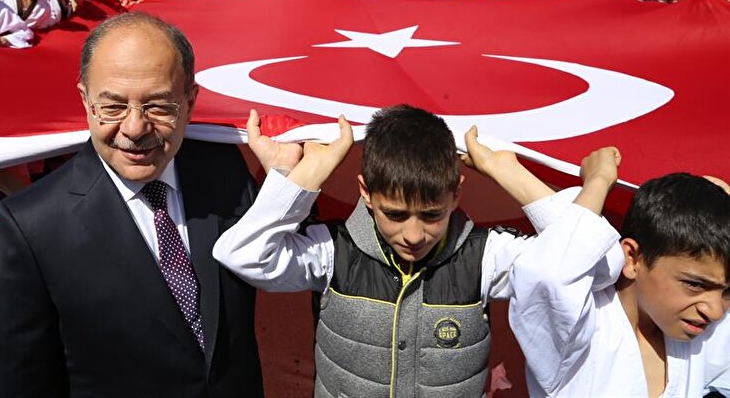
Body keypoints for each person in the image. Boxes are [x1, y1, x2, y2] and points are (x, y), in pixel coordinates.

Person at [0, 12, 266, 397]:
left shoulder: (226, 171)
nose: (135, 128)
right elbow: (19, 383)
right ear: (85, 100)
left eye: (158, 106)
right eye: (113, 107)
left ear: (190, 99)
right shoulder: (31, 226)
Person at [214, 106, 571, 398]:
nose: (413, 235)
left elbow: (584, 260)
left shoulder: (486, 255)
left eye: (432, 215)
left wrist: (507, 172)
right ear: (366, 193)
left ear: (456, 195)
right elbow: (242, 255)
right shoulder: (332, 250)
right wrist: (301, 174)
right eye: (395, 214)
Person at [508, 150, 730, 397]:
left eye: (728, 292)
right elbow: (550, 274)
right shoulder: (578, 335)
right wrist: (598, 180)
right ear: (633, 258)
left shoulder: (701, 332)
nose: (716, 311)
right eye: (695, 285)